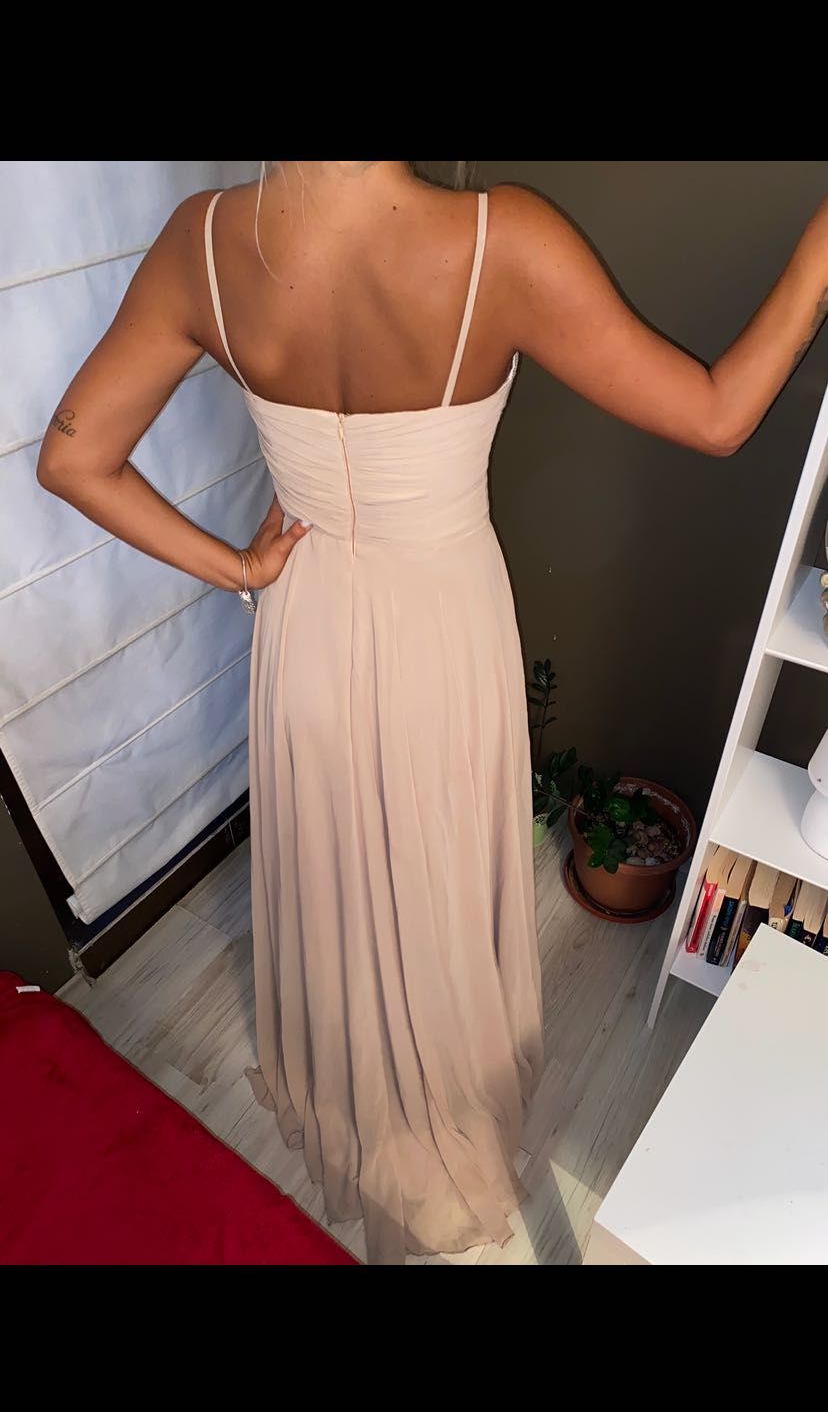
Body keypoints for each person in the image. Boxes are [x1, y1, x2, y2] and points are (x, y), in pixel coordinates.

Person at [38, 160, 828, 1263]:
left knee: (335, 851)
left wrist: (239, 570)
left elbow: (73, 457)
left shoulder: (200, 242)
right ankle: (436, 1079)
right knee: (436, 857)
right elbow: (717, 413)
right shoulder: (503, 239)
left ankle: (355, 1073)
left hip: (305, 622)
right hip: (445, 623)